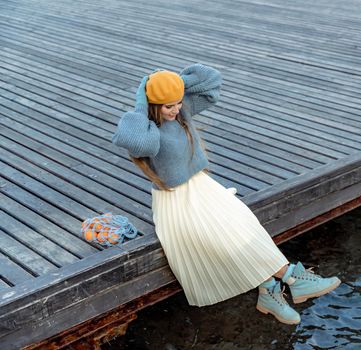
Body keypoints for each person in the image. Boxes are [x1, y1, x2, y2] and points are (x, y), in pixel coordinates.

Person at [112, 63, 341, 325]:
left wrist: (174, 83)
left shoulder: (181, 114)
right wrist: (143, 97)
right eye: (168, 106)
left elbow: (211, 82)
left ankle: (270, 289)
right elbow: (139, 144)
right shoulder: (149, 130)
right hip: (176, 201)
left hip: (204, 188)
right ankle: (289, 278)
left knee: (244, 225)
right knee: (223, 236)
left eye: (177, 103)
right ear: (154, 106)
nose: (176, 109)